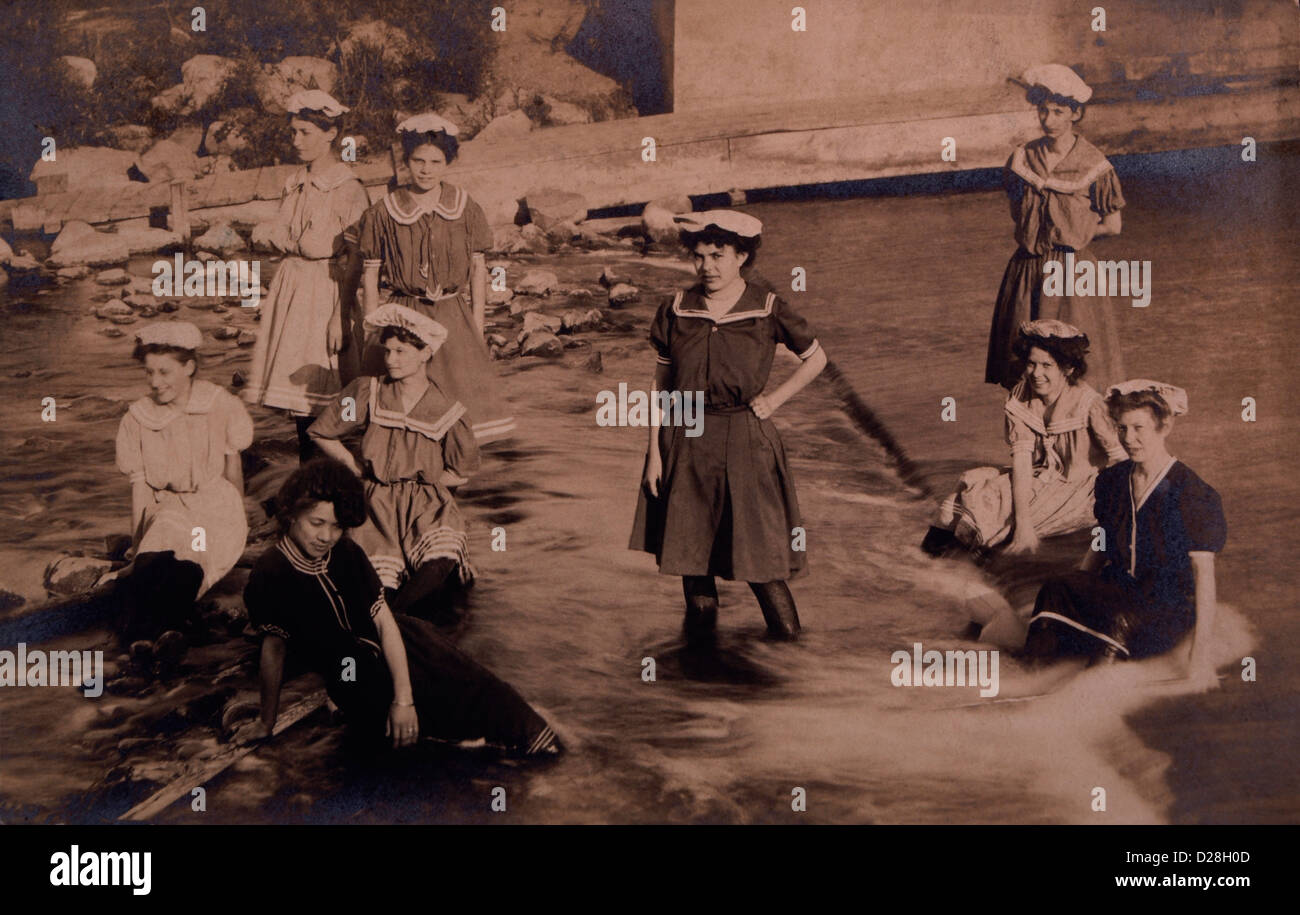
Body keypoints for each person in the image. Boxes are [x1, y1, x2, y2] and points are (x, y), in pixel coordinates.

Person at [244, 458, 561, 756]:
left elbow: (383, 622)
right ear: (290, 513)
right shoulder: (269, 573)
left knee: (502, 712)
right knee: (441, 740)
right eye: (317, 523)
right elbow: (274, 647)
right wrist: (265, 722)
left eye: (337, 526)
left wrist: (404, 700)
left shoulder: (346, 553)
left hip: (410, 649)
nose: (326, 536)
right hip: (356, 682)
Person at [630, 210, 828, 641]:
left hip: (745, 441)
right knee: (692, 559)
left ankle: (789, 656)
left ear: (742, 255)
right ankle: (702, 667)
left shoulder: (768, 306)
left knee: (762, 563)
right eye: (699, 257)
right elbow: (660, 384)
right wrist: (653, 456)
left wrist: (774, 399)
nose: (707, 267)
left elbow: (817, 359)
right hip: (686, 440)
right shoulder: (677, 308)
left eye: (718, 256)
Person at [1023, 380, 1226, 682]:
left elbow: (1203, 576)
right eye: (1122, 429)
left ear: (1164, 426)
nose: (1128, 439)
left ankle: (1085, 696)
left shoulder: (1192, 493)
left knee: (1121, 621)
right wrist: (1077, 586)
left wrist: (1200, 655)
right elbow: (1101, 541)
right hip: (1120, 591)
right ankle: (1030, 678)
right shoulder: (1112, 480)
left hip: (1167, 607)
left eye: (1138, 428)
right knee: (1056, 588)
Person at [351, 112, 514, 443]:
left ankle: (448, 483)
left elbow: (479, 270)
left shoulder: (465, 207)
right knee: (402, 405)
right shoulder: (384, 211)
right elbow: (370, 275)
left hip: (453, 316)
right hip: (404, 314)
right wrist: (372, 327)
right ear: (406, 161)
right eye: (418, 160)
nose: (426, 169)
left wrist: (478, 327)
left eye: (436, 161)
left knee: (457, 407)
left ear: (448, 162)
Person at [309, 304, 476, 620]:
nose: (390, 359)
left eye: (401, 351)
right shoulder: (368, 391)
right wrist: (354, 465)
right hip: (378, 504)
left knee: (441, 559)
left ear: (425, 353)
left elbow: (462, 472)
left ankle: (396, 621)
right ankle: (390, 624)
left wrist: (431, 482)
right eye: (387, 351)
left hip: (428, 503)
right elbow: (321, 432)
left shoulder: (448, 410)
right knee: (380, 583)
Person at [924, 319, 1126, 556]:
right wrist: (1024, 524)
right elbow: (1021, 462)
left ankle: (959, 563)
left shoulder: (1090, 405)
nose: (1036, 374)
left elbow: (1123, 461)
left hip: (1082, 491)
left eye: (1046, 366)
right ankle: (925, 562)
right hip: (1037, 478)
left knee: (994, 516)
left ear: (1068, 368)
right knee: (972, 485)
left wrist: (1121, 512)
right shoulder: (1021, 397)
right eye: (1031, 364)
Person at [244, 90, 370, 462]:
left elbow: (356, 259)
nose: (296, 141)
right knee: (299, 404)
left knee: (327, 395)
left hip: (325, 292)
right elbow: (281, 236)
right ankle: (309, 488)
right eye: (294, 132)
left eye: (305, 132)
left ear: (330, 134)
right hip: (292, 289)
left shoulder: (349, 189)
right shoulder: (294, 182)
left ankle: (341, 483)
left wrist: (340, 316)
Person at [112, 322, 253, 654]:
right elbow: (141, 489)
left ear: (189, 367)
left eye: (164, 372)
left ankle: (162, 634)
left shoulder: (220, 404)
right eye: (149, 373)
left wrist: (240, 518)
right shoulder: (137, 418)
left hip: (214, 507)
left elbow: (233, 470)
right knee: (147, 566)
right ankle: (146, 640)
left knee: (187, 564)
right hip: (168, 506)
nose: (155, 382)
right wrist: (137, 547)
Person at [985, 64, 1127, 392]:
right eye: (1043, 111)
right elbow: (1017, 213)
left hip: (1073, 276)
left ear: (1075, 114)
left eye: (1058, 112)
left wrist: (1075, 233)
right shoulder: (1021, 159)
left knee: (1077, 374)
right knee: (1024, 372)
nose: (1048, 120)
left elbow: (1113, 226)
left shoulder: (1095, 165)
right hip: (1028, 270)